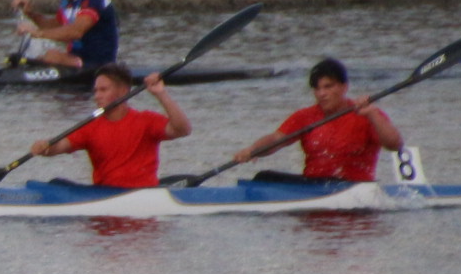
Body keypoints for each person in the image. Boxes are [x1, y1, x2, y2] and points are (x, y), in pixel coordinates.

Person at [230, 56, 404, 183]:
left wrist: (373, 114)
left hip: (353, 186)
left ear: (344, 87)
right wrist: (252, 150)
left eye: (328, 87)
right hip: (313, 186)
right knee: (263, 178)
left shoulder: (366, 113)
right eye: (317, 88)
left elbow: (395, 145)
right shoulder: (305, 116)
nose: (322, 94)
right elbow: (277, 140)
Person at [29, 64, 190, 187]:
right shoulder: (90, 127)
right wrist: (46, 147)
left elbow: (183, 130)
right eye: (96, 90)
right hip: (105, 198)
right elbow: (61, 146)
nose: (97, 96)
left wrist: (161, 94)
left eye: (103, 90)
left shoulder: (146, 121)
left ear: (123, 91)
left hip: (142, 197)